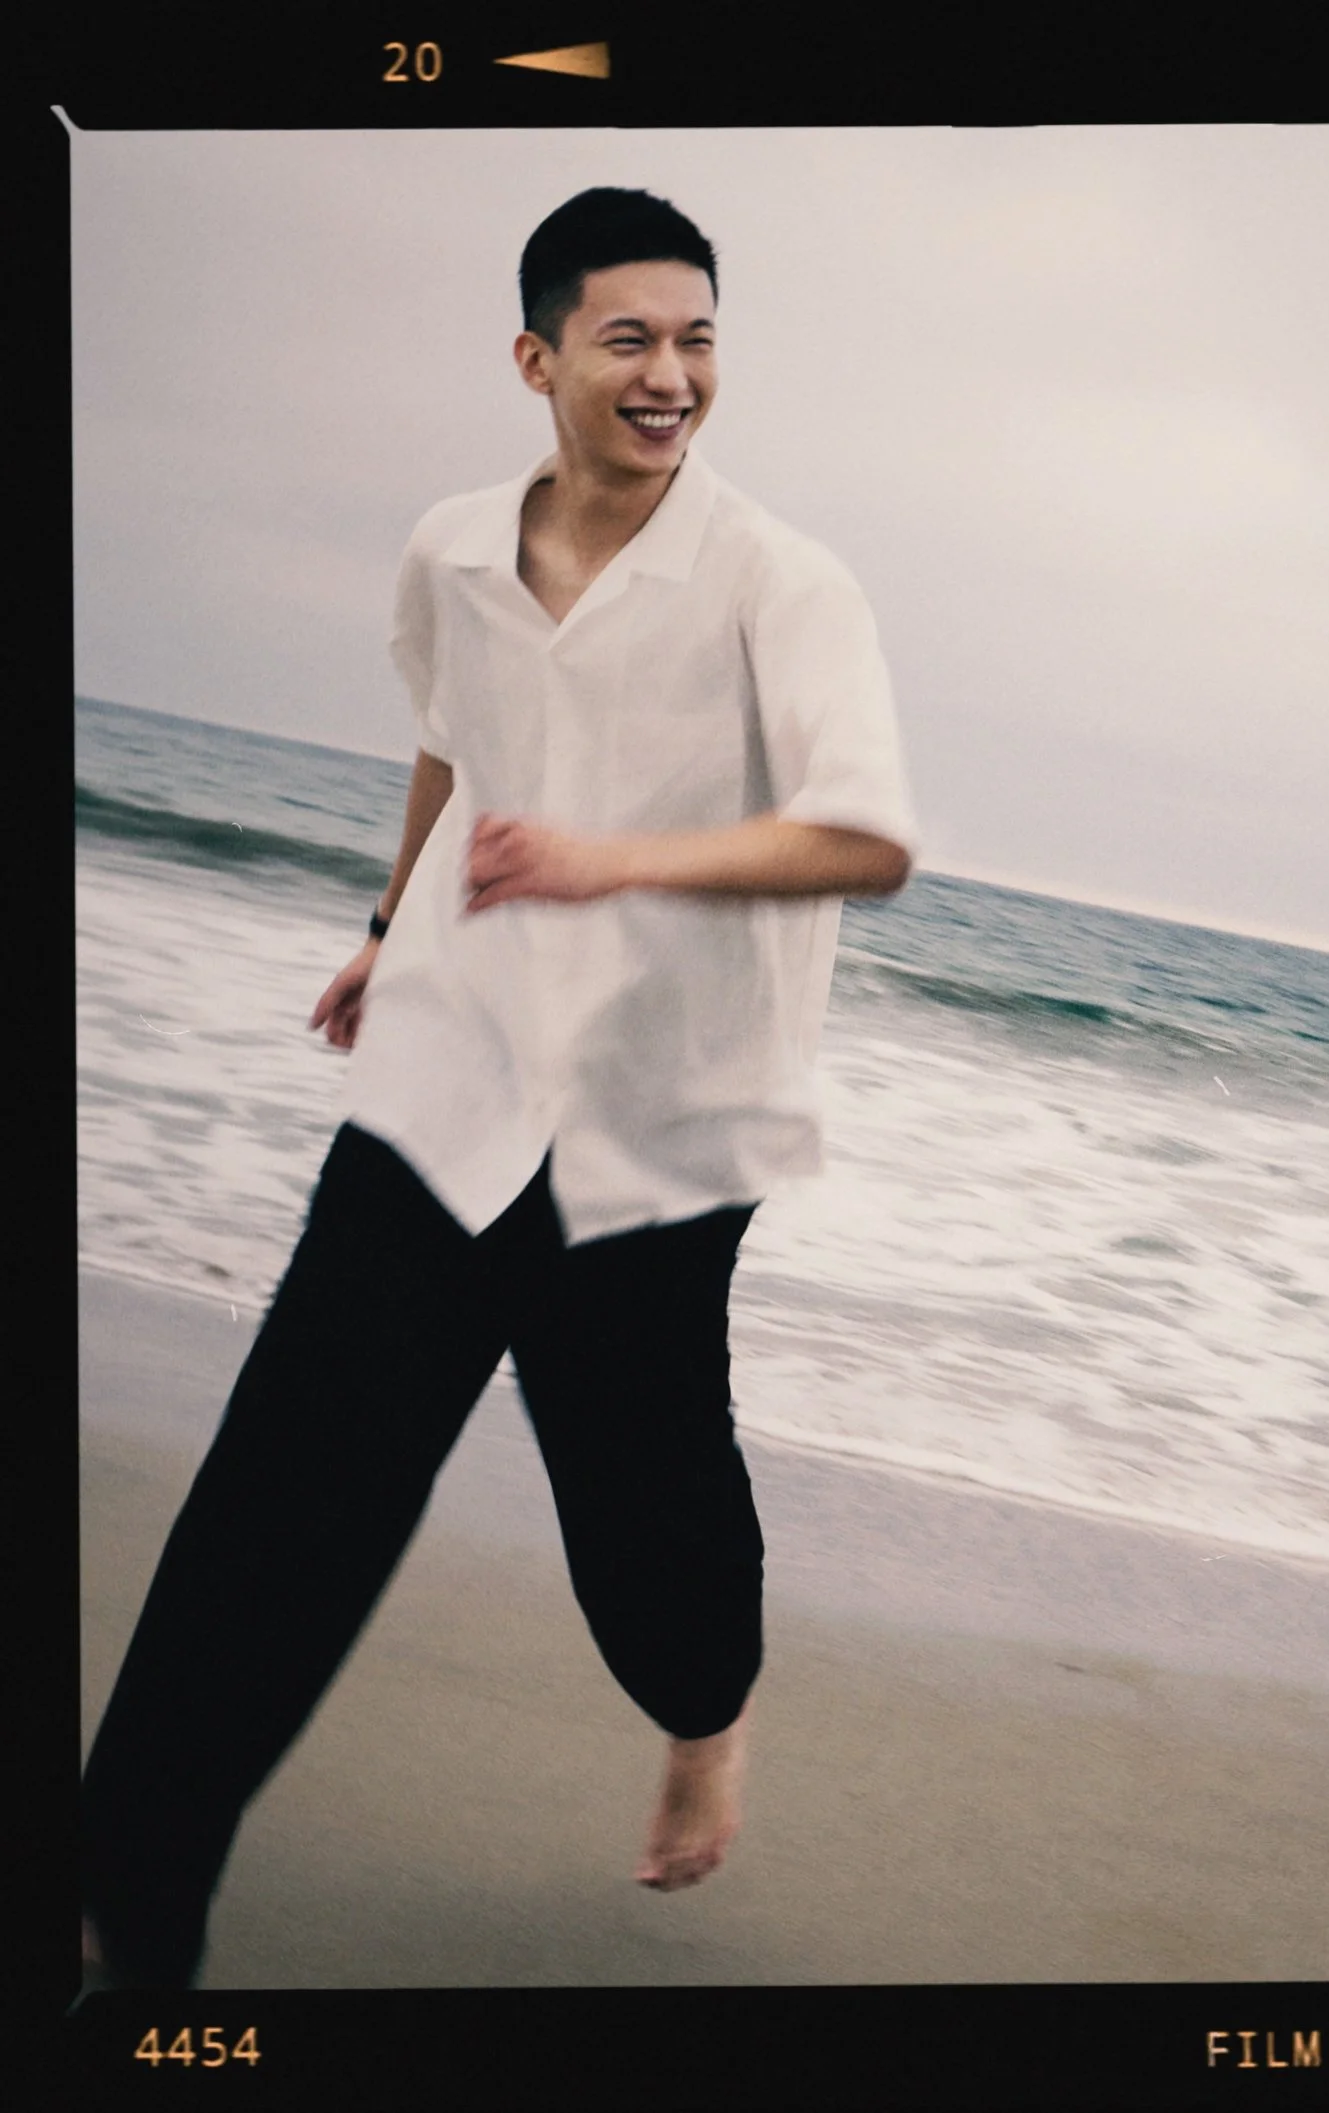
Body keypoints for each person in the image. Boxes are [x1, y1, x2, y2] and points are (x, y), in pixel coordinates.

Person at [80, 187, 917, 1990]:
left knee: (648, 1524)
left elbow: (868, 839)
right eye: (631, 339)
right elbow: (456, 737)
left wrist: (616, 861)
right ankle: (122, 1905)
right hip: (444, 1086)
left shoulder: (785, 581)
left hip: (653, 1131)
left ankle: (707, 1716)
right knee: (283, 1497)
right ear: (538, 359)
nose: (672, 374)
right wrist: (393, 921)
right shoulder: (457, 546)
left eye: (697, 339)